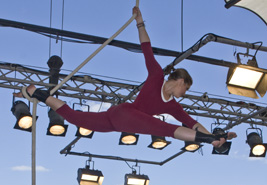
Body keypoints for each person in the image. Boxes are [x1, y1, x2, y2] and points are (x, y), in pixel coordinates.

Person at [21, 7, 237, 150]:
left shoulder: (173, 106)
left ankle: (37, 94)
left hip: (115, 121)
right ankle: (210, 141)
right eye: (186, 89)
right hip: (125, 112)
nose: (185, 94)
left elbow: (192, 123)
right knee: (164, 130)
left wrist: (216, 136)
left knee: (76, 118)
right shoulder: (157, 75)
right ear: (181, 81)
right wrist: (140, 23)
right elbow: (147, 49)